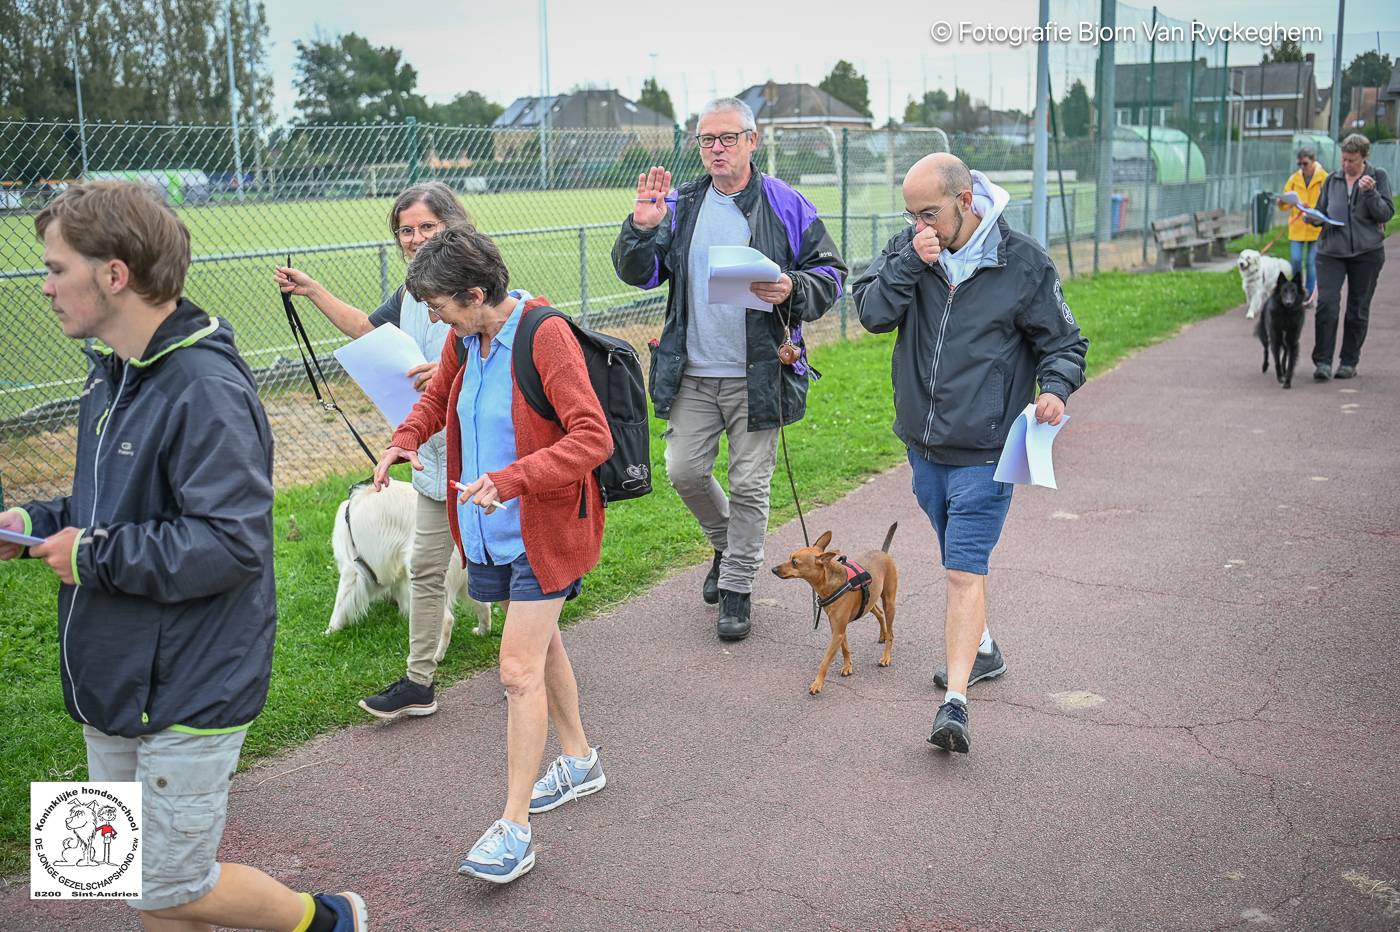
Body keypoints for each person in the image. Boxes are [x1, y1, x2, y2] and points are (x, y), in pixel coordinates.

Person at [0, 181, 366, 930]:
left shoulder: (205, 387)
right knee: (110, 870)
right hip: (110, 680)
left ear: (114, 274)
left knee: (166, 885)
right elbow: (109, 509)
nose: (43, 286)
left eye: (55, 267)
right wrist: (32, 522)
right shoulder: (109, 374)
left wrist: (93, 555)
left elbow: (229, 543)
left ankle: (328, 921)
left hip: (187, 687)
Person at [373, 227, 613, 884]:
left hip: (544, 527)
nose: (433, 317)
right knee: (539, 648)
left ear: (477, 293)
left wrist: (510, 480)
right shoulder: (465, 338)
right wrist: (403, 441)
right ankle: (580, 759)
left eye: (441, 304)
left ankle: (514, 828)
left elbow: (593, 438)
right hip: (486, 531)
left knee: (515, 672)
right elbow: (435, 400)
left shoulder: (544, 336)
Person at [852, 153, 1088, 756]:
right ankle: (982, 648)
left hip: (988, 449)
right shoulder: (911, 249)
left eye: (929, 213)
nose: (920, 226)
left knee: (962, 570)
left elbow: (1065, 342)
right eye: (911, 216)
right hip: (924, 447)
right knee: (957, 551)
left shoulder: (1023, 262)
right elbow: (872, 313)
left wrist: (1054, 389)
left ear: (967, 200)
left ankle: (954, 703)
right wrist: (910, 259)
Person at [611, 97, 847, 641]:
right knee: (684, 471)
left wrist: (793, 286)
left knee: (748, 482)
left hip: (759, 372)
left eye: (727, 138)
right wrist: (642, 228)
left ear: (752, 141)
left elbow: (831, 273)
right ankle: (728, 545)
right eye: (706, 140)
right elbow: (638, 274)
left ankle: (738, 587)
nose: (716, 149)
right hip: (692, 369)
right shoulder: (682, 203)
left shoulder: (785, 203)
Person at [275, 181, 478, 719]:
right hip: (431, 451)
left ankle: (535, 642)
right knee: (427, 567)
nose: (414, 239)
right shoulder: (412, 292)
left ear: (452, 224)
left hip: (484, 456)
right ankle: (419, 682)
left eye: (426, 228)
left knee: (505, 561)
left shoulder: (482, 281)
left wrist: (450, 369)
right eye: (405, 230)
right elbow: (368, 330)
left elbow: (507, 346)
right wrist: (314, 292)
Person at [1309, 133, 1393, 381]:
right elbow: (1321, 210)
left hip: (1366, 253)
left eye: (1353, 161)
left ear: (1365, 158)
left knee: (1357, 308)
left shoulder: (1378, 177)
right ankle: (1323, 362)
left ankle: (1348, 361)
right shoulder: (1332, 180)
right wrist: (1313, 218)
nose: (1347, 165)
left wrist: (1371, 194)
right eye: (1344, 160)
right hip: (1331, 251)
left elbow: (1386, 213)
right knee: (1327, 305)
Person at [1279, 145, 1327, 304]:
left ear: (1313, 161)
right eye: (1299, 164)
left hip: (1315, 228)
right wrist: (1282, 201)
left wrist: (1312, 209)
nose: (1302, 167)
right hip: (1297, 227)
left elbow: (1328, 201)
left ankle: (1309, 295)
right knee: (1296, 260)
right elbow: (1284, 204)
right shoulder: (1294, 179)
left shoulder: (1324, 178)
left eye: (1305, 163)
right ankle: (1296, 291)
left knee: (1312, 263)